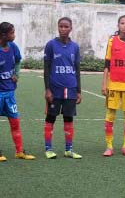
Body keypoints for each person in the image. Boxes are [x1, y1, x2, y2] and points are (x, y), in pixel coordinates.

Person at [101, 15, 125, 157]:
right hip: (114, 84)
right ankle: (109, 146)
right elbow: (106, 64)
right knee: (110, 115)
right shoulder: (112, 41)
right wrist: (104, 83)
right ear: (118, 25)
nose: (124, 25)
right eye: (122, 23)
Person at [43, 17, 82, 159]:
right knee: (51, 118)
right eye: (61, 26)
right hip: (54, 89)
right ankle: (48, 149)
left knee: (69, 118)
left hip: (71, 89)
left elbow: (77, 69)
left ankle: (68, 149)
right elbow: (46, 69)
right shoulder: (51, 45)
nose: (63, 29)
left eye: (66, 27)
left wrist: (79, 91)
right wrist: (47, 89)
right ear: (57, 27)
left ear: (71, 28)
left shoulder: (75, 47)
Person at [0, 22, 35, 162]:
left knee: (15, 122)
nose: (14, 35)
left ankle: (19, 151)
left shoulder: (13, 47)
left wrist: (17, 74)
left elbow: (18, 61)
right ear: (3, 35)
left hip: (9, 93)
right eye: (12, 33)